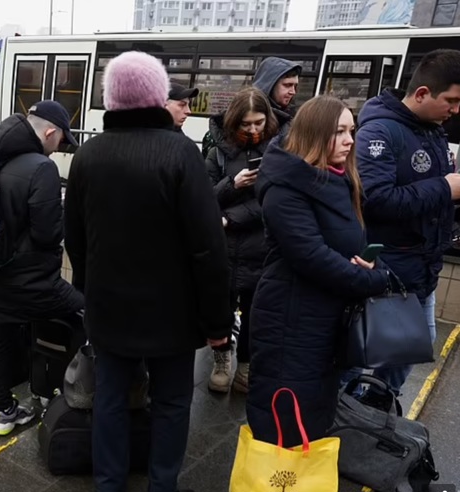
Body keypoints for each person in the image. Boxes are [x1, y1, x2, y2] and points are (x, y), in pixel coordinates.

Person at [64, 51, 232, 492]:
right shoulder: (181, 153)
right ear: (158, 97)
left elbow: (75, 240)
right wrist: (217, 322)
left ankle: (109, 484)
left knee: (111, 401)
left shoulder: (87, 156)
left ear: (111, 99)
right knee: (173, 403)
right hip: (173, 315)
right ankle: (162, 484)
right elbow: (207, 247)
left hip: (109, 310)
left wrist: (89, 296)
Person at [248, 96, 395, 448]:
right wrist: (375, 280)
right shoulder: (287, 186)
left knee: (312, 420)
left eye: (352, 131)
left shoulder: (339, 179)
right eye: (339, 132)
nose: (350, 140)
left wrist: (378, 267)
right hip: (290, 321)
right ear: (314, 134)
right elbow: (312, 256)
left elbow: (353, 245)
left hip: (322, 321)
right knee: (285, 424)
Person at [355, 48, 460, 404]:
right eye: (452, 100)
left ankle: (377, 403)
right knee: (362, 349)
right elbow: (378, 200)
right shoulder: (380, 132)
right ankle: (347, 407)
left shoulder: (432, 131)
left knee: (414, 344)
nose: (456, 110)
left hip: (422, 266)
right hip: (390, 266)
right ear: (421, 94)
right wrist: (446, 187)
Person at [0, 100, 85, 436]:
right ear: (50, 132)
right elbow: (46, 234)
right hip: (36, 281)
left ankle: (3, 413)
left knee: (2, 340)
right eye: (61, 140)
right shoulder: (42, 168)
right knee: (86, 311)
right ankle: (81, 396)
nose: (60, 148)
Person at [203, 87, 283, 394]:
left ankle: (245, 367)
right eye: (245, 124)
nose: (252, 130)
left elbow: (276, 203)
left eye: (258, 123)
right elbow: (204, 201)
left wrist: (232, 217)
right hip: (223, 249)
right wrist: (232, 184)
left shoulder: (278, 152)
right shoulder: (216, 154)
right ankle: (221, 361)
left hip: (260, 247)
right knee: (220, 310)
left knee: (255, 315)